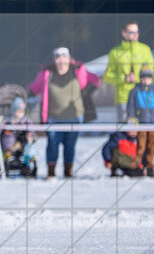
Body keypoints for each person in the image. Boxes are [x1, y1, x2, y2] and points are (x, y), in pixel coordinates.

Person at [28, 47, 100, 179]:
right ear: (54, 60)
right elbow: (34, 88)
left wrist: (86, 92)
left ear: (69, 59)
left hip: (75, 116)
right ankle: (51, 172)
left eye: (64, 57)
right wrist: (21, 95)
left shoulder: (78, 70)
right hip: (53, 117)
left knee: (70, 145)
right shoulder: (46, 73)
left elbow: (95, 80)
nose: (61, 60)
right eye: (58, 57)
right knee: (52, 144)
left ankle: (68, 172)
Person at [104, 21, 154, 122]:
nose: (136, 35)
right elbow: (107, 76)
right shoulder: (115, 52)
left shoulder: (145, 50)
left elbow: (152, 73)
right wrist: (123, 78)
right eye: (132, 32)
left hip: (143, 96)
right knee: (126, 132)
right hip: (123, 98)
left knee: (144, 132)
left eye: (137, 31)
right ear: (124, 33)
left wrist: (149, 88)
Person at [126, 64, 154, 176]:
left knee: (151, 147)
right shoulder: (135, 91)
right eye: (144, 77)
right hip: (141, 124)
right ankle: (139, 167)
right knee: (140, 147)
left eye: (148, 77)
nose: (146, 80)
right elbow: (131, 109)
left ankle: (150, 167)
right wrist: (132, 124)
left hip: (153, 123)